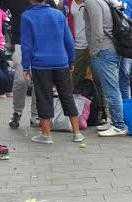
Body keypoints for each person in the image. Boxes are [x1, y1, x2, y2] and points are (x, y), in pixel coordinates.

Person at [21, 0, 83, 144]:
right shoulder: (58, 14)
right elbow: (68, 39)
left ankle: (46, 135)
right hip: (61, 61)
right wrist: (71, 60)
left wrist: (25, 66)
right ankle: (77, 133)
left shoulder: (27, 16)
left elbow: (26, 44)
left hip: (40, 64)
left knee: (44, 97)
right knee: (67, 96)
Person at [83, 0, 128, 136]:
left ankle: (119, 125)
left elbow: (97, 30)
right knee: (112, 88)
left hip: (104, 50)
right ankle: (115, 122)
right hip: (110, 49)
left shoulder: (92, 2)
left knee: (111, 89)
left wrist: (93, 52)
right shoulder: (102, 1)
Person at [67, 0, 106, 125]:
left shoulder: (92, 2)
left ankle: (102, 111)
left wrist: (95, 45)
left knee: (99, 80)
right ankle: (77, 112)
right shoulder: (68, 2)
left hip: (93, 45)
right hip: (76, 46)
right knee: (75, 80)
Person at [2, 0, 38, 128]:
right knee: (21, 79)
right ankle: (17, 112)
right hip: (20, 44)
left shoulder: (47, 1)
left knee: (39, 80)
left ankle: (36, 115)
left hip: (40, 45)